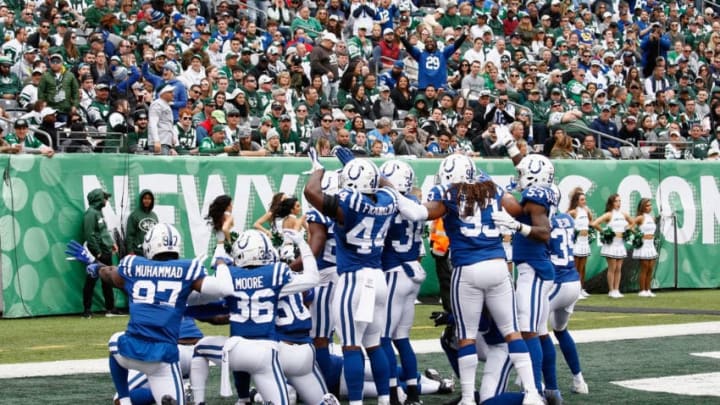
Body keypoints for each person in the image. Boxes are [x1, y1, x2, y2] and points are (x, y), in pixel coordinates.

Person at [393, 154, 543, 405]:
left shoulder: (448, 194)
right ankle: (532, 393)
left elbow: (418, 212)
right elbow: (517, 209)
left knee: (466, 336)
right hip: (496, 265)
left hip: (467, 268)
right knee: (512, 332)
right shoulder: (492, 188)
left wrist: (391, 190)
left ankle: (467, 398)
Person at [65, 223, 233, 405]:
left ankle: (125, 398)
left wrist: (95, 265)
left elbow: (111, 273)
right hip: (165, 356)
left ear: (149, 245)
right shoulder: (188, 271)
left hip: (134, 349)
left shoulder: (133, 265)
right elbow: (221, 295)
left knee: (115, 342)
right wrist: (222, 264)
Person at [303, 149, 398, 405]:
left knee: (351, 345)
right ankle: (384, 400)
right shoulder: (387, 200)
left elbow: (312, 193)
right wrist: (357, 164)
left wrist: (317, 170)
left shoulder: (348, 206)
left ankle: (355, 402)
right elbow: (385, 184)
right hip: (377, 279)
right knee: (374, 343)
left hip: (353, 280)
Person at [188, 229, 321, 405]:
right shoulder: (276, 272)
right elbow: (312, 278)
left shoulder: (229, 275)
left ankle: (203, 402)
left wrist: (190, 279)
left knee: (201, 348)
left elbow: (197, 300)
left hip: (241, 350)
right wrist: (303, 244)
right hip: (270, 352)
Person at [490, 129, 559, 397]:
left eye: (523, 174)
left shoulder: (536, 198)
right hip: (538, 267)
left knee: (529, 331)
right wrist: (510, 145)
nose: (519, 176)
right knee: (541, 332)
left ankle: (536, 392)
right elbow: (525, 168)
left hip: (533, 268)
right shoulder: (546, 188)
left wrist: (517, 226)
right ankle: (551, 389)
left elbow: (543, 233)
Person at [378, 160, 426, 405]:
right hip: (412, 271)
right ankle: (414, 392)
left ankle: (394, 393)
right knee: (402, 338)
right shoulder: (416, 204)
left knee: (384, 337)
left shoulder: (389, 205)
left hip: (394, 271)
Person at [542, 199, 589, 401]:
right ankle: (579, 381)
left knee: (533, 329)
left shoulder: (544, 220)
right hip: (573, 282)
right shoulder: (567, 218)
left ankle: (541, 384)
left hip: (558, 281)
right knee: (560, 330)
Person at [81, 188, 118, 318]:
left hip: (105, 252)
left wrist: (111, 244)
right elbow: (89, 235)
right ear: (98, 199)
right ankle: (87, 310)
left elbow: (102, 232)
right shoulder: (90, 214)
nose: (106, 200)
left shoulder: (98, 212)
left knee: (108, 281)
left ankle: (110, 308)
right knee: (91, 280)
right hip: (98, 253)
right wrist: (97, 253)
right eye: (104, 197)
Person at [591, 194, 634, 298]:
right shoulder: (609, 215)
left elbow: (632, 222)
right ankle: (611, 290)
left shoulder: (623, 214)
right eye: (616, 201)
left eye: (619, 201)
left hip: (620, 244)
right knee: (612, 268)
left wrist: (627, 230)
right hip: (611, 244)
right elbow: (594, 223)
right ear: (611, 203)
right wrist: (604, 232)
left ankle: (616, 289)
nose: (618, 203)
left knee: (619, 268)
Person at [567, 187, 593, 298]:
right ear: (577, 201)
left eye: (585, 199)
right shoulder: (572, 212)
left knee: (583, 267)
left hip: (585, 241)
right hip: (577, 242)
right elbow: (565, 219)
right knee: (576, 267)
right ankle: (575, 291)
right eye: (582, 200)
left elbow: (591, 221)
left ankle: (581, 288)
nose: (584, 201)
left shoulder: (586, 210)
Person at [633, 198, 659, 297]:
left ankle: (648, 290)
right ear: (643, 207)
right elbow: (630, 226)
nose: (649, 207)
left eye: (650, 205)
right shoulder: (640, 217)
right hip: (643, 245)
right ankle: (642, 290)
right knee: (644, 268)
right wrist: (639, 235)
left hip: (651, 245)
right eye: (647, 205)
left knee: (650, 268)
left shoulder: (652, 218)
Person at [124, 190, 158, 257]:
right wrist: (130, 251)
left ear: (152, 201)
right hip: (138, 252)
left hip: (152, 252)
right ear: (141, 200)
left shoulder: (154, 216)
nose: (147, 201)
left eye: (149, 199)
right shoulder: (134, 215)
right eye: (145, 198)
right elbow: (129, 236)